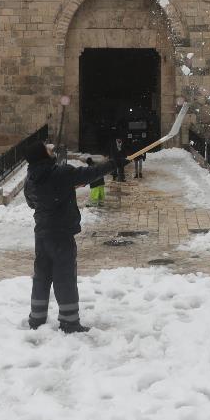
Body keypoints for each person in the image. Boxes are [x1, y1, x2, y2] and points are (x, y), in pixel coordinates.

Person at [24, 142, 122, 333]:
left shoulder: (31, 177)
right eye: (47, 148)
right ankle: (69, 322)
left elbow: (31, 202)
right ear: (41, 154)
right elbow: (89, 174)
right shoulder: (60, 173)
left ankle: (36, 318)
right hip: (61, 235)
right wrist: (114, 163)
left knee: (41, 277)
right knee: (64, 277)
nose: (51, 148)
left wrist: (57, 193)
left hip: (42, 234)